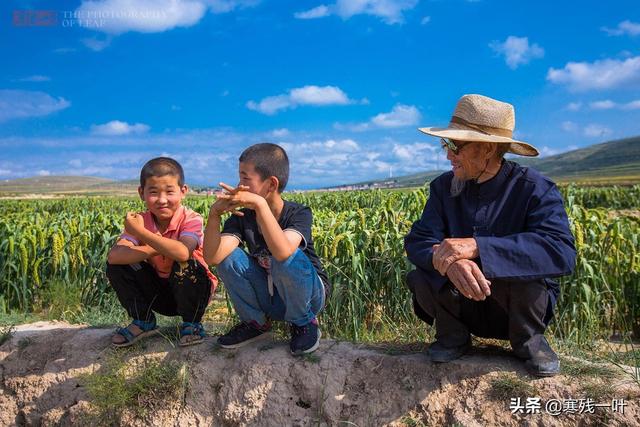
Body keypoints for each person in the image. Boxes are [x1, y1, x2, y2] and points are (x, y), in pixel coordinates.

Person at [404, 94, 576, 377]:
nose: (449, 155)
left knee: (528, 273)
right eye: (446, 145)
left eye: (456, 146)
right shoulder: (442, 188)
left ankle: (528, 342)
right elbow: (418, 240)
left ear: (486, 149)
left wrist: (478, 247)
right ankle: (453, 336)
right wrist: (448, 260)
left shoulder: (535, 189)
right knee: (423, 272)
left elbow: (560, 251)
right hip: (462, 306)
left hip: (517, 311)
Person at [203, 143, 329, 356]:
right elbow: (213, 257)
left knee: (284, 256)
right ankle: (255, 323)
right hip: (271, 298)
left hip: (307, 297)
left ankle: (304, 323)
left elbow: (283, 253)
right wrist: (214, 215)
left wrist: (260, 206)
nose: (238, 186)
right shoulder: (242, 217)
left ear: (271, 185)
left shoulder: (298, 213)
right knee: (228, 257)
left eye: (245, 179)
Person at [106, 157, 218, 347]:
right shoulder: (140, 219)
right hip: (158, 294)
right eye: (154, 192)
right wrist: (157, 247)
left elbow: (183, 253)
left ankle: (192, 323)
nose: (162, 200)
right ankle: (143, 321)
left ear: (183, 192)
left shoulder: (191, 219)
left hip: (191, 293)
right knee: (118, 265)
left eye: (169, 192)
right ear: (141, 193)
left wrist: (141, 234)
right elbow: (114, 256)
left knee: (186, 264)